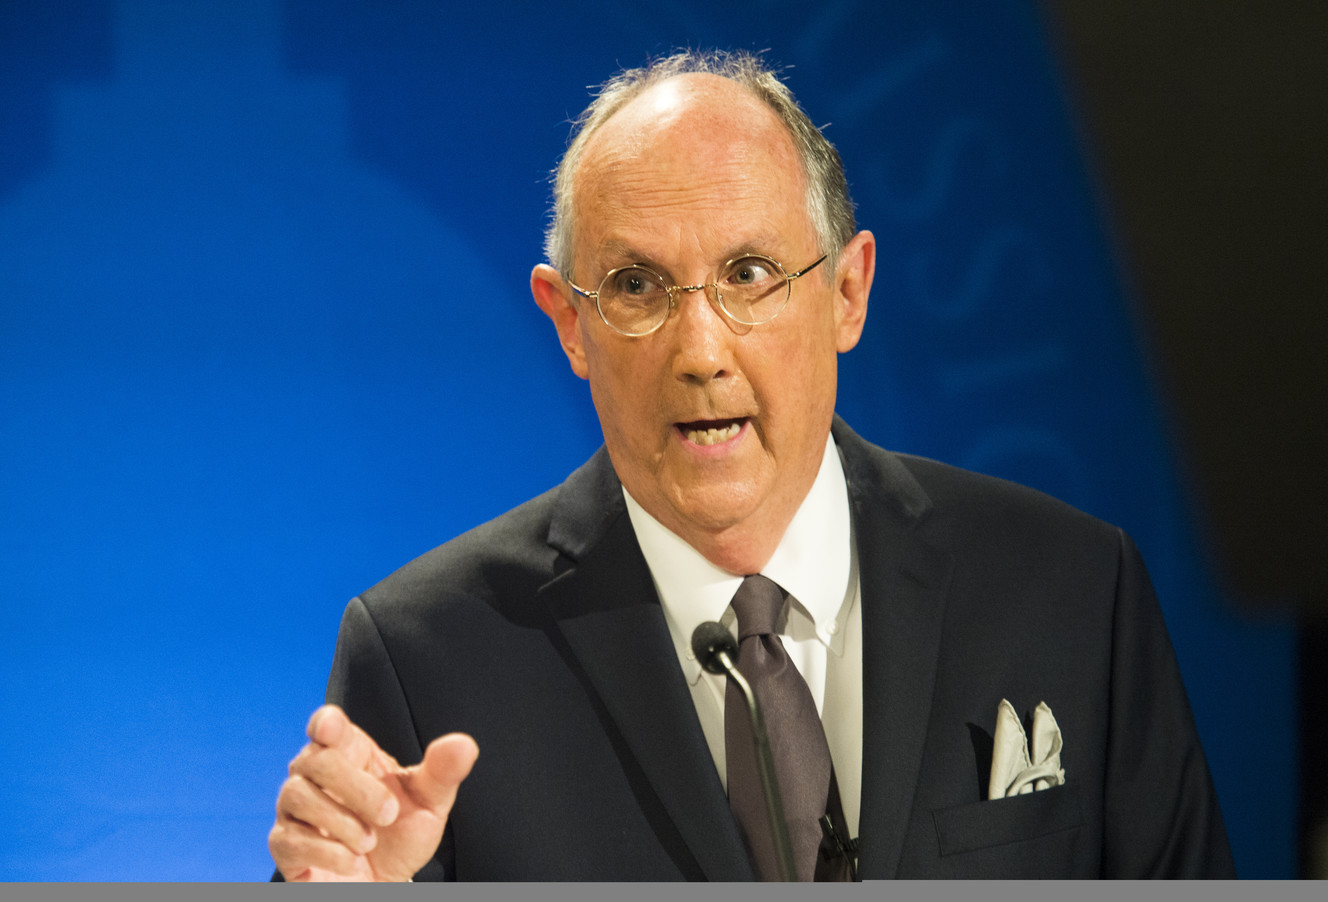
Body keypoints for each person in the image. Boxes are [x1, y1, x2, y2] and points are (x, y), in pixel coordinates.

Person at [268, 50, 1235, 881]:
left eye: (748, 275)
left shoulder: (1072, 593)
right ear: (568, 324)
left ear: (848, 292)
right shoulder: (427, 662)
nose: (701, 351)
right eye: (637, 286)